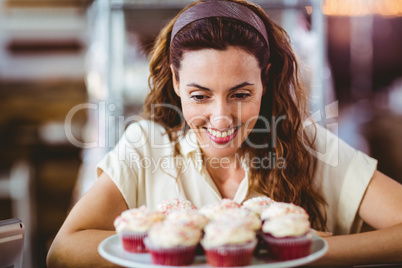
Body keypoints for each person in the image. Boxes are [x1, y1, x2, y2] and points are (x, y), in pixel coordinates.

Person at [47, 0, 402, 267]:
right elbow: (63, 250)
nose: (220, 119)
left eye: (241, 94)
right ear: (175, 81)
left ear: (265, 79)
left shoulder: (309, 147)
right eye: (200, 96)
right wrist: (198, 245)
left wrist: (307, 251)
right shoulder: (145, 146)